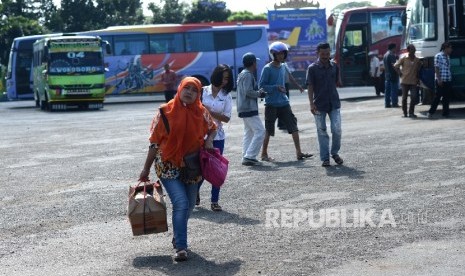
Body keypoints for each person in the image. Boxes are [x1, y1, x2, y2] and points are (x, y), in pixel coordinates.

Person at [139, 77, 217, 262]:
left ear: (199, 94)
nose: (189, 92)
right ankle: (181, 246)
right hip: (168, 165)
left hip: (192, 166)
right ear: (180, 89)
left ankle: (178, 235)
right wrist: (145, 170)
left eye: (194, 90)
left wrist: (209, 139)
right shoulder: (164, 112)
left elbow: (212, 128)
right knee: (181, 203)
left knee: (189, 205)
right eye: (186, 88)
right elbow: (154, 143)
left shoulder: (202, 112)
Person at [259, 41, 313, 162]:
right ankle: (263, 154)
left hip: (284, 103)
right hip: (271, 104)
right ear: (273, 54)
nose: (281, 56)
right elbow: (261, 86)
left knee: (293, 126)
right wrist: (275, 87)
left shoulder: (284, 66)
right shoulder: (267, 69)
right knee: (269, 129)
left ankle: (299, 153)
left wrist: (298, 86)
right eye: (278, 54)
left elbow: (289, 76)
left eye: (283, 53)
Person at [197, 64, 233, 212]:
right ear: (216, 76)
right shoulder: (202, 91)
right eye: (224, 78)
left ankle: (215, 201)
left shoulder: (226, 96)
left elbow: (226, 118)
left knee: (215, 169)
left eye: (227, 79)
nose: (225, 81)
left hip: (218, 136)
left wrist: (209, 111)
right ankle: (195, 193)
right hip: (199, 135)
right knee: (199, 169)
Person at [306, 42, 344, 167]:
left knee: (337, 129)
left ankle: (334, 153)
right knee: (322, 131)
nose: (325, 56)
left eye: (327, 53)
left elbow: (337, 82)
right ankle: (325, 158)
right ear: (317, 54)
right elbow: (310, 86)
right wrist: (311, 104)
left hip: (334, 103)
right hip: (319, 104)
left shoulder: (334, 66)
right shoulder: (312, 68)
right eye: (322, 54)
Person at [236, 52, 266, 166]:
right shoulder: (248, 75)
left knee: (249, 132)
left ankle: (246, 155)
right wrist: (259, 94)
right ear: (253, 63)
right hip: (248, 107)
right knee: (260, 131)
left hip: (243, 107)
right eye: (255, 62)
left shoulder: (242, 74)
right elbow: (248, 91)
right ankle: (250, 156)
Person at [394, 44, 423, 118]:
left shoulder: (417, 60)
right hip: (404, 81)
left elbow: (420, 68)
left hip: (413, 81)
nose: (414, 51)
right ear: (408, 50)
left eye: (414, 49)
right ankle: (405, 113)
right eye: (412, 49)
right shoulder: (404, 58)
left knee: (414, 97)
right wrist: (400, 73)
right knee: (404, 98)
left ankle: (411, 112)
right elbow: (396, 66)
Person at [428, 42, 453, 119]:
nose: (451, 50)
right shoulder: (438, 56)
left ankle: (445, 113)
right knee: (437, 97)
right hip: (441, 79)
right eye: (450, 48)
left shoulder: (447, 57)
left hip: (447, 79)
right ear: (446, 48)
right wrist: (439, 79)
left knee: (446, 97)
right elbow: (436, 68)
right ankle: (430, 112)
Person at [277, 62, 304, 130]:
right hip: (283, 86)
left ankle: (281, 123)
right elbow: (290, 77)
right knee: (284, 105)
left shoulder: (281, 65)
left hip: (282, 86)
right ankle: (284, 123)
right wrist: (298, 86)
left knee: (282, 104)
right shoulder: (283, 65)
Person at [383, 43, 400, 108]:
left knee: (387, 90)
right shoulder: (391, 55)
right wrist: (399, 73)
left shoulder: (385, 55)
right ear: (393, 48)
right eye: (395, 48)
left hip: (387, 75)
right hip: (392, 75)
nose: (396, 49)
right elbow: (394, 66)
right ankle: (394, 103)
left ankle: (387, 104)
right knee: (394, 90)